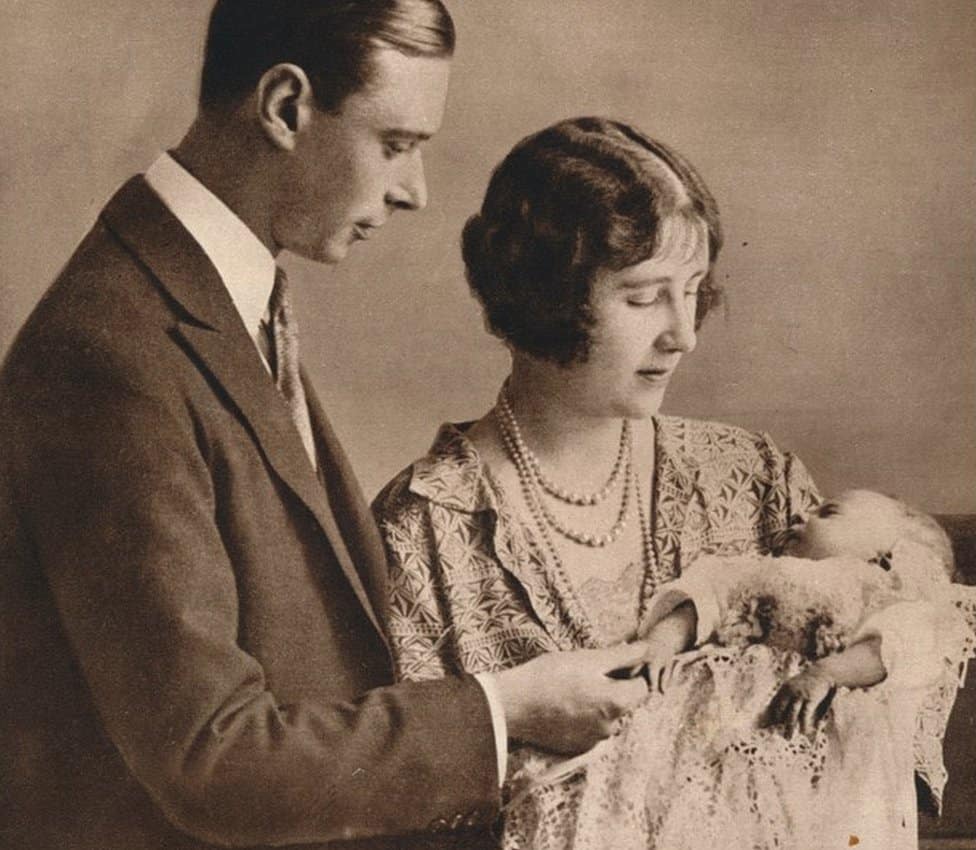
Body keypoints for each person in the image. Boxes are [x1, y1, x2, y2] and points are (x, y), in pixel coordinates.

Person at [0, 8, 650, 850]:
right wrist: (506, 710)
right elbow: (212, 759)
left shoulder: (213, 303)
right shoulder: (110, 350)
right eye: (395, 143)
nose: (415, 189)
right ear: (283, 105)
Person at [372, 117, 975, 849]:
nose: (683, 333)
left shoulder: (756, 480)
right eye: (642, 296)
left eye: (691, 290)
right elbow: (402, 802)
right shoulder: (426, 529)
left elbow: (883, 710)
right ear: (545, 294)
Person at [502, 489, 976, 850]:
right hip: (709, 711)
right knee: (667, 787)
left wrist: (827, 674)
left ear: (885, 558)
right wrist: (658, 644)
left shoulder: (881, 592)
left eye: (826, 513)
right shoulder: (757, 569)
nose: (799, 515)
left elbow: (889, 649)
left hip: (801, 721)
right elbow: (704, 601)